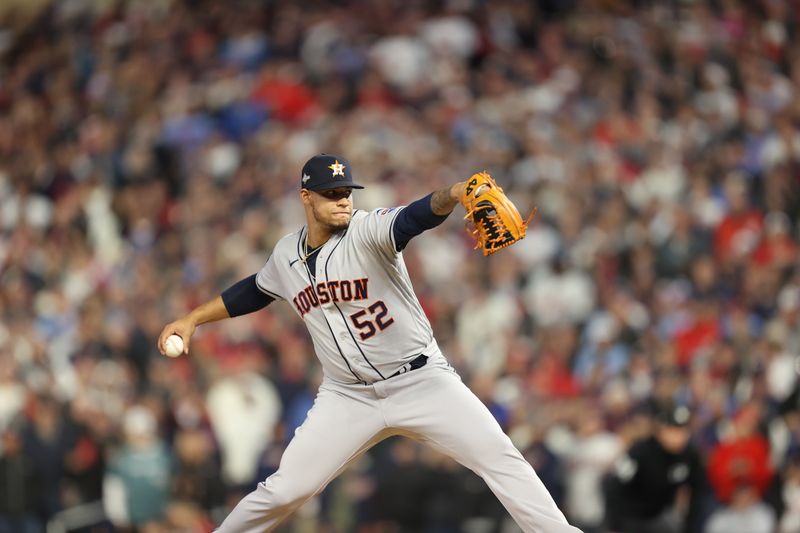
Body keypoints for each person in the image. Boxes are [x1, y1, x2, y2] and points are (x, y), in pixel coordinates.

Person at [158, 154, 582, 533]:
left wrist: (455, 193)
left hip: (421, 381)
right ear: (306, 198)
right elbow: (253, 290)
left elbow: (414, 217)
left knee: (500, 458)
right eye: (331, 194)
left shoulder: (368, 231)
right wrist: (193, 318)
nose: (343, 200)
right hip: (348, 396)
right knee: (285, 490)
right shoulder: (286, 253)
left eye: (347, 192)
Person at [604, 403, 705, 533]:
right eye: (673, 430)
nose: (680, 437)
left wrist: (690, 527)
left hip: (659, 515)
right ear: (660, 430)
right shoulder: (640, 452)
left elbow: (698, 491)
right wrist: (614, 526)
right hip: (630, 517)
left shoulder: (689, 455)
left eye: (684, 431)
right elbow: (614, 487)